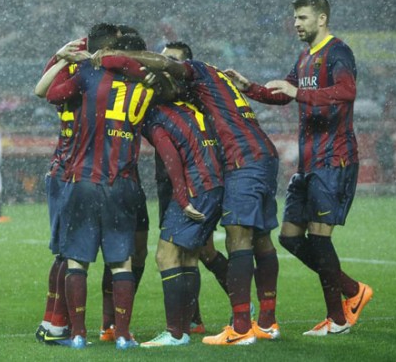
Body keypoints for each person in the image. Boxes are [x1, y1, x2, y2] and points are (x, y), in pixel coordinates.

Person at [96, 41, 282, 346]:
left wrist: (185, 197)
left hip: (211, 176)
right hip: (209, 175)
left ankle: (223, 325)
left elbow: (172, 152)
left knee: (192, 251)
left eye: (169, 64)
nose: (161, 69)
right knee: (201, 252)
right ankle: (228, 320)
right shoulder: (193, 99)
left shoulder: (179, 98)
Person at [225, 0, 373, 336]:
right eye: (295, 18)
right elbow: (285, 92)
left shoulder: (337, 51)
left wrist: (299, 94)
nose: (296, 24)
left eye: (303, 18)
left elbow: (346, 91)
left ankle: (337, 319)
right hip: (309, 163)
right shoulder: (305, 57)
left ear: (322, 19)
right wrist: (251, 88)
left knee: (320, 241)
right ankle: (353, 291)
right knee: (291, 237)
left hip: (334, 160)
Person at [44, 33, 152, 350]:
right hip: (123, 182)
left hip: (84, 179)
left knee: (76, 260)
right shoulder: (148, 84)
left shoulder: (90, 75)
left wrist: (68, 58)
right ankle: (122, 335)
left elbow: (50, 93)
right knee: (122, 262)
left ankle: (77, 335)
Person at [140, 94, 224, 348]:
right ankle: (186, 328)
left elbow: (171, 157)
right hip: (213, 184)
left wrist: (182, 197)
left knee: (165, 256)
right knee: (188, 257)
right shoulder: (188, 108)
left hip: (195, 188)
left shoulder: (154, 116)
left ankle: (175, 333)